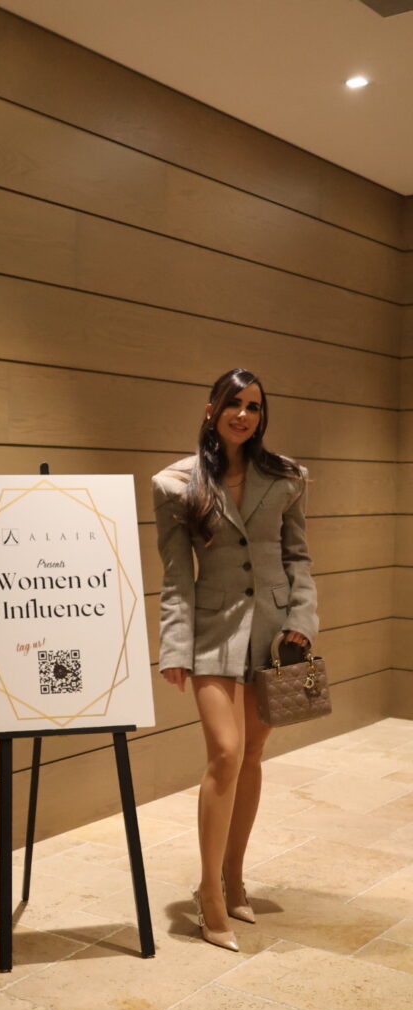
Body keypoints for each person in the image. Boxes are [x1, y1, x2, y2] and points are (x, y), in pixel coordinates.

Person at [152, 368, 318, 951]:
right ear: (211, 408)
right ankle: (209, 893)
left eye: (254, 406)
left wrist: (302, 621)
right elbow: (176, 577)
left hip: (274, 634)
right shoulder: (175, 485)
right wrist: (174, 647)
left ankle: (235, 876)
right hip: (212, 632)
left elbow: (298, 558)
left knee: (251, 756)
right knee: (225, 753)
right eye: (234, 404)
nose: (244, 415)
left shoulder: (288, 477)